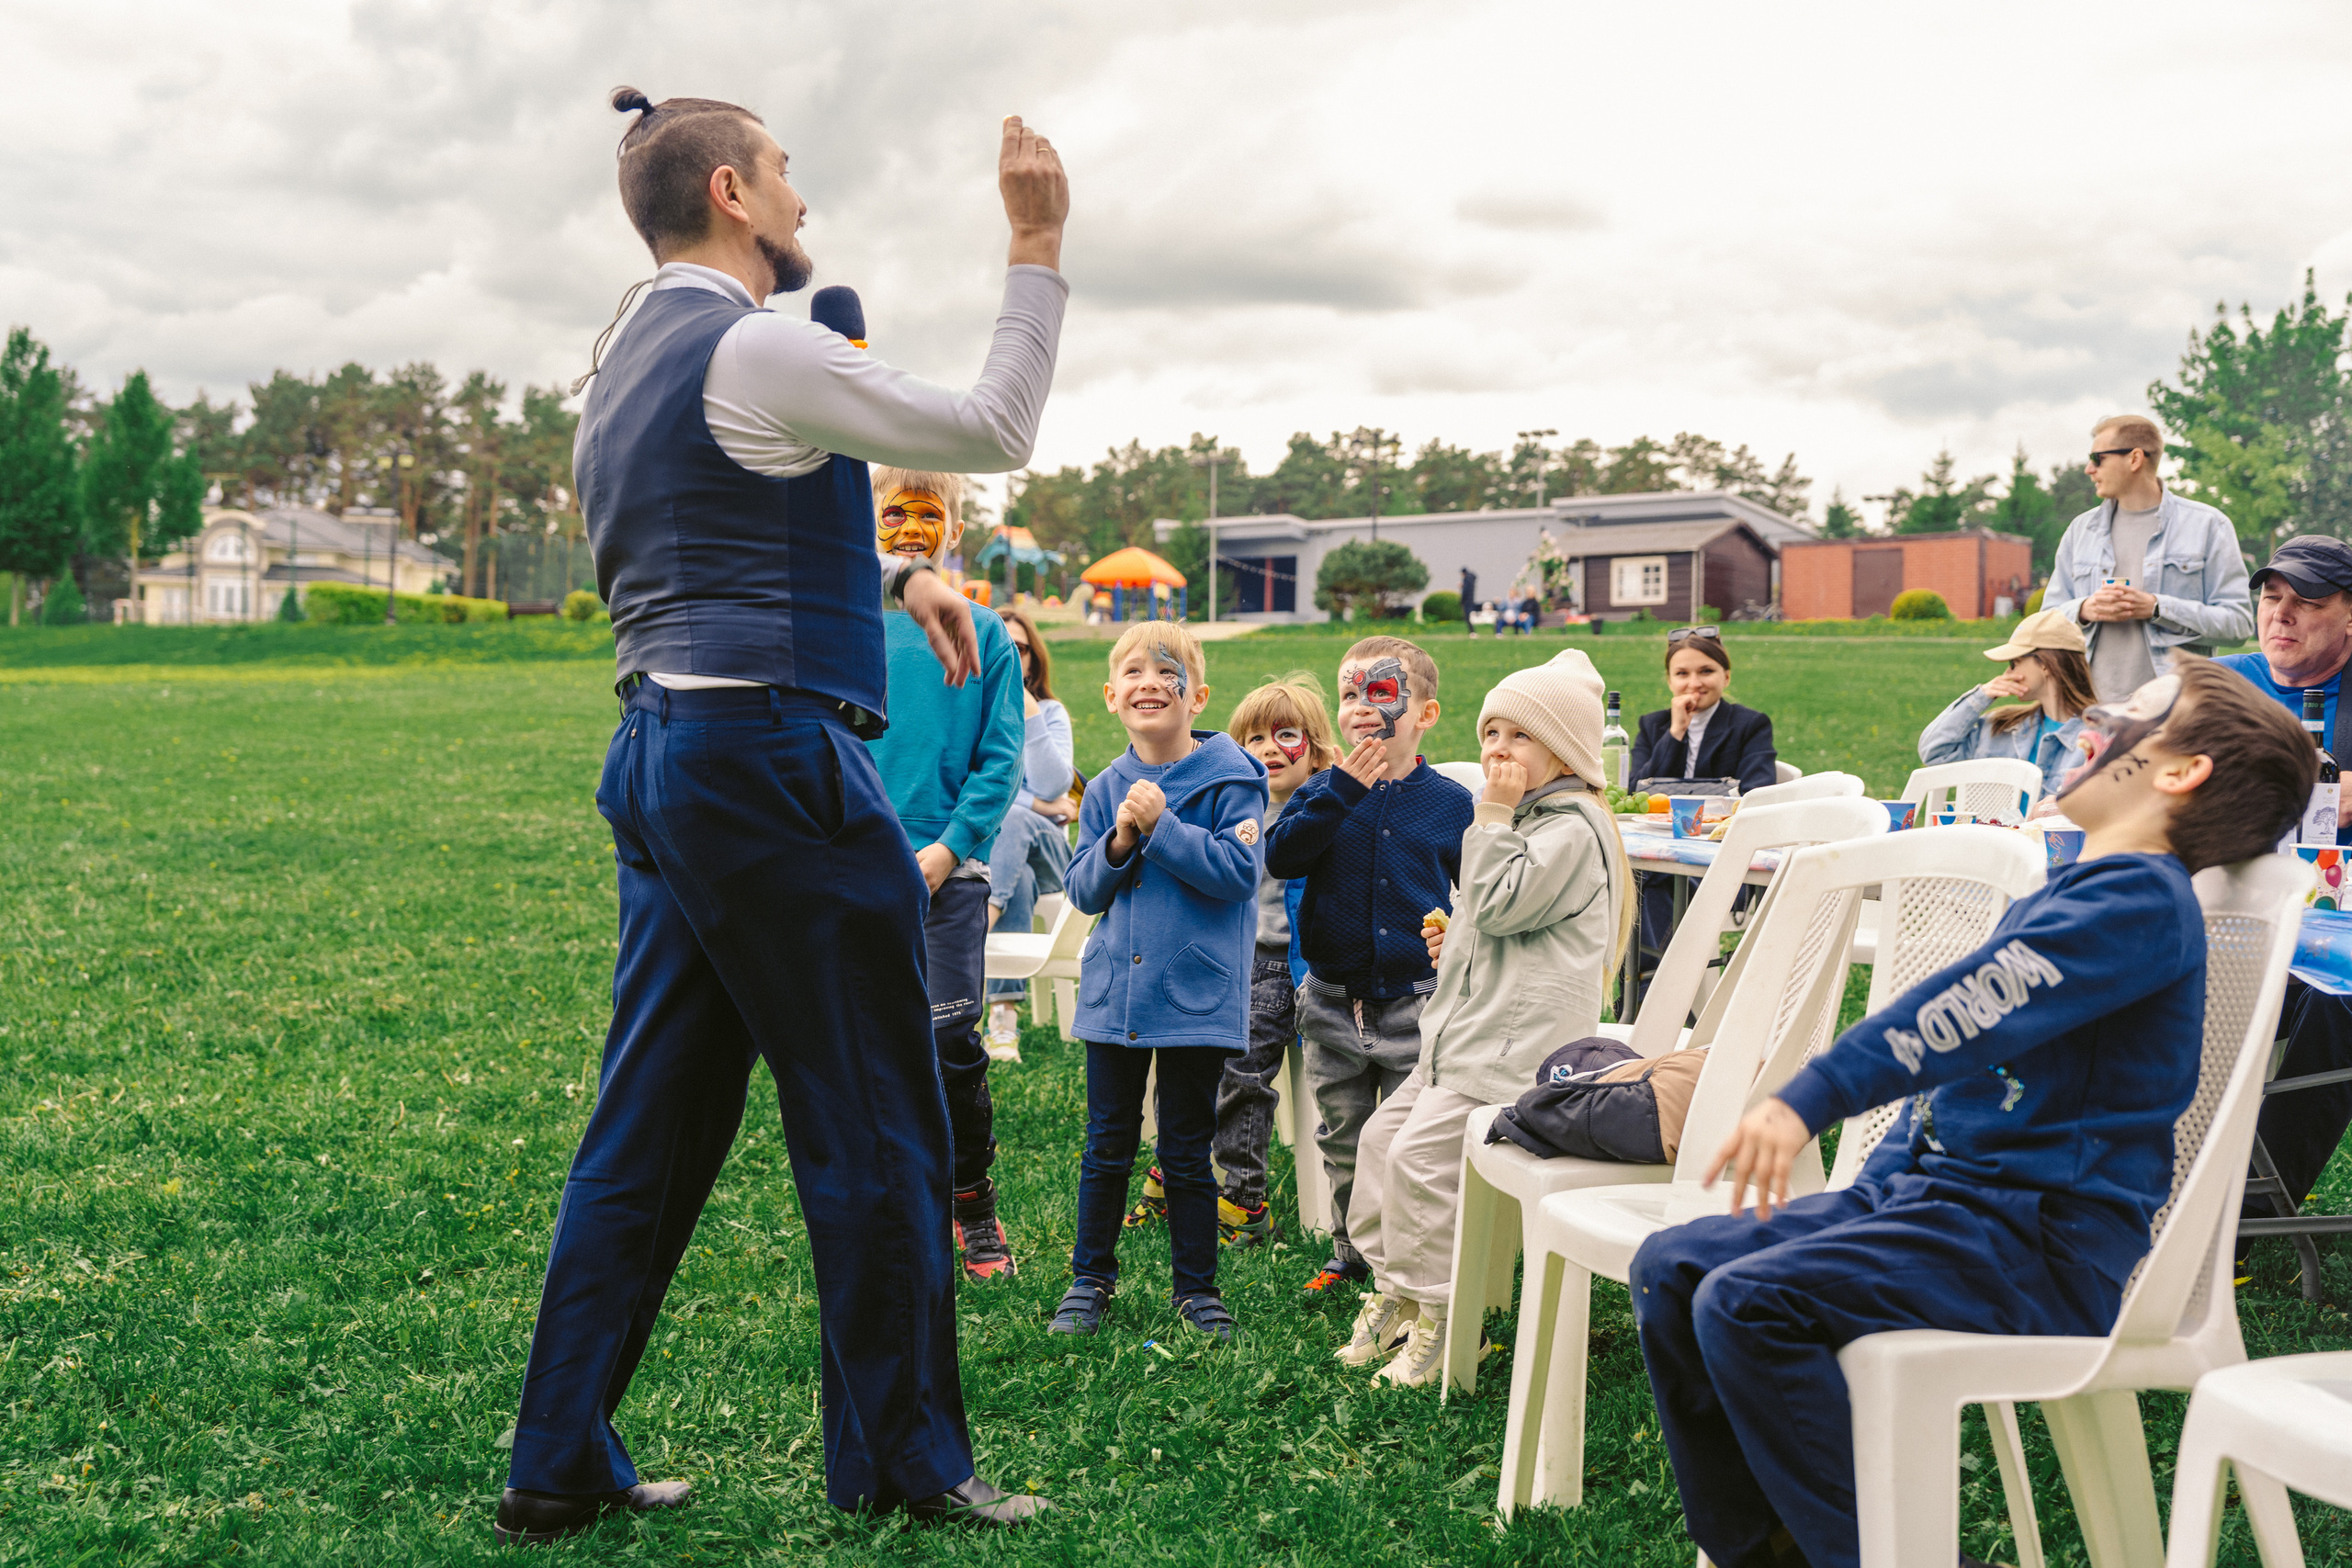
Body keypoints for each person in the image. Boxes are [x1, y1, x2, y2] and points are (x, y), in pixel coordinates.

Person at [497, 89, 1066, 1543]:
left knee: (648, 1126)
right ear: (737, 190)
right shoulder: (762, 337)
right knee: (881, 1112)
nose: (806, 206)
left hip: (664, 757)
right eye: (792, 179)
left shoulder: (625, 351)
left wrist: (896, 575)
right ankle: (908, 1460)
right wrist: (1036, 239)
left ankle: (558, 1450)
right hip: (773, 767)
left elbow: (728, 507)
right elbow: (993, 423)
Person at [1627, 657, 2314, 1568]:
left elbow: (1964, 1011)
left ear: (2177, 771)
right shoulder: (2081, 889)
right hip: (1944, 1209)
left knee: (1750, 1304)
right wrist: (1877, 1188)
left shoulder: (2135, 904)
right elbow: (1968, 1082)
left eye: (2128, 712)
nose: (2088, 719)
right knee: (1673, 1263)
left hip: (2035, 1245)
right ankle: (1766, 1547)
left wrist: (1812, 1097)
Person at [1339, 650, 1635, 1386]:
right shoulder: (1531, 822)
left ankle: (1449, 1317)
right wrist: (1454, 938)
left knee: (1419, 1162)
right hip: (1466, 1040)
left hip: (1514, 1053)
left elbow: (1501, 900)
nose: (1497, 749)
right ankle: (1398, 1292)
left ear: (1565, 751)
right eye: (1491, 732)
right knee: (1379, 1142)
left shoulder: (1569, 830)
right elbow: (1495, 917)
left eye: (1518, 737)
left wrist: (1493, 813)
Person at [1046, 622, 1267, 1343]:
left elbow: (1239, 876)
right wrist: (1118, 838)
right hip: (1117, 997)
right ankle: (1090, 1277)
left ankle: (1197, 1289)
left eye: (1167, 670)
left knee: (1183, 1146)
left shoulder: (1233, 777)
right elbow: (1082, 889)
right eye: (1133, 671)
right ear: (1111, 696)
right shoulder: (1106, 784)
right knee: (1107, 1140)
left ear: (1196, 695)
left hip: (1193, 995)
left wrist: (1162, 826)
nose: (1149, 679)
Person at [1263, 637, 1477, 1292]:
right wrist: (1341, 793)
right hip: (1332, 998)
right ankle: (1350, 1249)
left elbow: (1473, 891)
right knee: (1344, 1134)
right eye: (1351, 693)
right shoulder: (1323, 790)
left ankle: (1409, 1253)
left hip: (1417, 999)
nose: (1362, 705)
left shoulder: (1450, 804)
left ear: (1426, 713)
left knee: (1410, 1140)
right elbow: (1283, 856)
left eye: (1381, 692)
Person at [865, 467, 1024, 1283]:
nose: (912, 528)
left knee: (948, 1040)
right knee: (858, 1047)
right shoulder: (842, 621)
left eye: (931, 516)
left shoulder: (988, 635)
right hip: (848, 867)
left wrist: (948, 847)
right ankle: (888, 1207)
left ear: (954, 531)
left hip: (946, 877)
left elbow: (1001, 761)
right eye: (897, 513)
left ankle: (972, 1197)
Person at [1124, 673, 1341, 1246]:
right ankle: (1174, 1169)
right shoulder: (1230, 806)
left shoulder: (1321, 809)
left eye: (1286, 736)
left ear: (1315, 750)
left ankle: (1243, 1198)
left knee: (1242, 1072)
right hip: (1223, 960)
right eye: (1254, 740)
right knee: (1184, 1059)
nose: (1270, 750)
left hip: (1278, 967)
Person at [2218, 536, 2352, 1225]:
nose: (2282, 615)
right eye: (2272, 597)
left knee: (2338, 1005)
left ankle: (2243, 1219)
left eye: (2308, 602)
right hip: (2231, 910)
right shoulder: (2222, 684)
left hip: (2337, 927)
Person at [2042, 413, 2254, 702]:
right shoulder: (2081, 531)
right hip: (2089, 713)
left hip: (2175, 715)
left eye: (2097, 458)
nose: (2089, 469)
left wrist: (2158, 608)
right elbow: (2045, 620)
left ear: (2135, 459)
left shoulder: (2208, 526)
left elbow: (2238, 625)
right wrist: (2084, 609)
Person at [1627, 626, 1778, 991]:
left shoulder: (1749, 725)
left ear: (1725, 676)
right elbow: (1638, 793)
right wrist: (1676, 732)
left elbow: (1758, 793)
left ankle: (1647, 991)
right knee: (1635, 877)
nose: (1694, 682)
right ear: (1669, 680)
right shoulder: (1654, 726)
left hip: (1722, 863)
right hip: (1662, 859)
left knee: (1646, 882)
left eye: (1706, 671)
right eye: (1682, 674)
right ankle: (1658, 991)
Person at [982, 604, 1076, 1060]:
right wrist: (1037, 802)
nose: (1009, 655)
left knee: (1015, 821)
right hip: (998, 855)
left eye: (1017, 648)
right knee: (1015, 880)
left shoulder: (1050, 712)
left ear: (1032, 658)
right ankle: (1003, 1020)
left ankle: (982, 924)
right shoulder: (972, 713)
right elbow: (968, 787)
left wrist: (1029, 711)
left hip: (1052, 854)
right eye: (998, 645)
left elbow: (1056, 782)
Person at [1916, 607, 2096, 800]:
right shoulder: (2001, 726)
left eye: (2014, 663)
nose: (2007, 675)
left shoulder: (2098, 738)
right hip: (1994, 831)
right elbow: (1934, 751)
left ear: (2046, 664)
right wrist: (1980, 697)